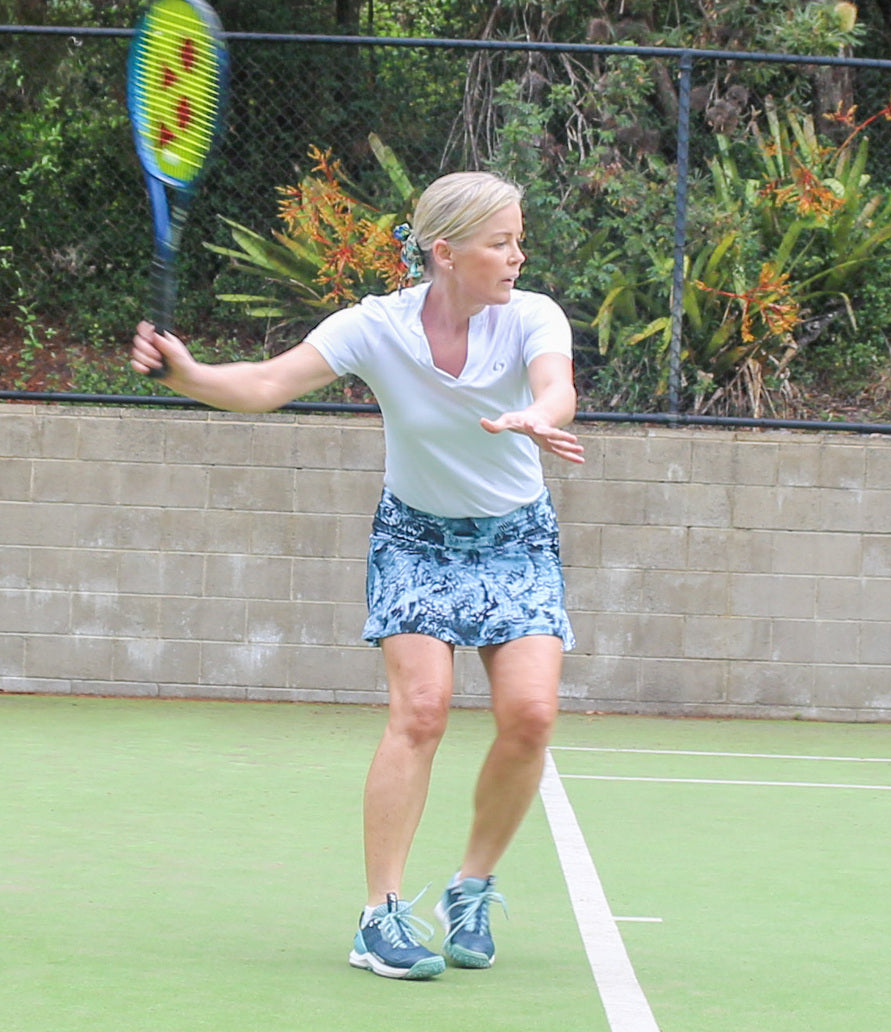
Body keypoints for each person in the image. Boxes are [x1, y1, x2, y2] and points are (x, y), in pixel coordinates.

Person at [130, 171, 584, 981]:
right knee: (421, 710)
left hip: (516, 538)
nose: (519, 255)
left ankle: (470, 886)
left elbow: (557, 387)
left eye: (519, 239)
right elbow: (270, 382)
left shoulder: (532, 318)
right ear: (446, 253)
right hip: (414, 536)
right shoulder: (376, 328)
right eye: (502, 241)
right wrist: (186, 375)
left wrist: (537, 417)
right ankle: (380, 918)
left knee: (532, 716)